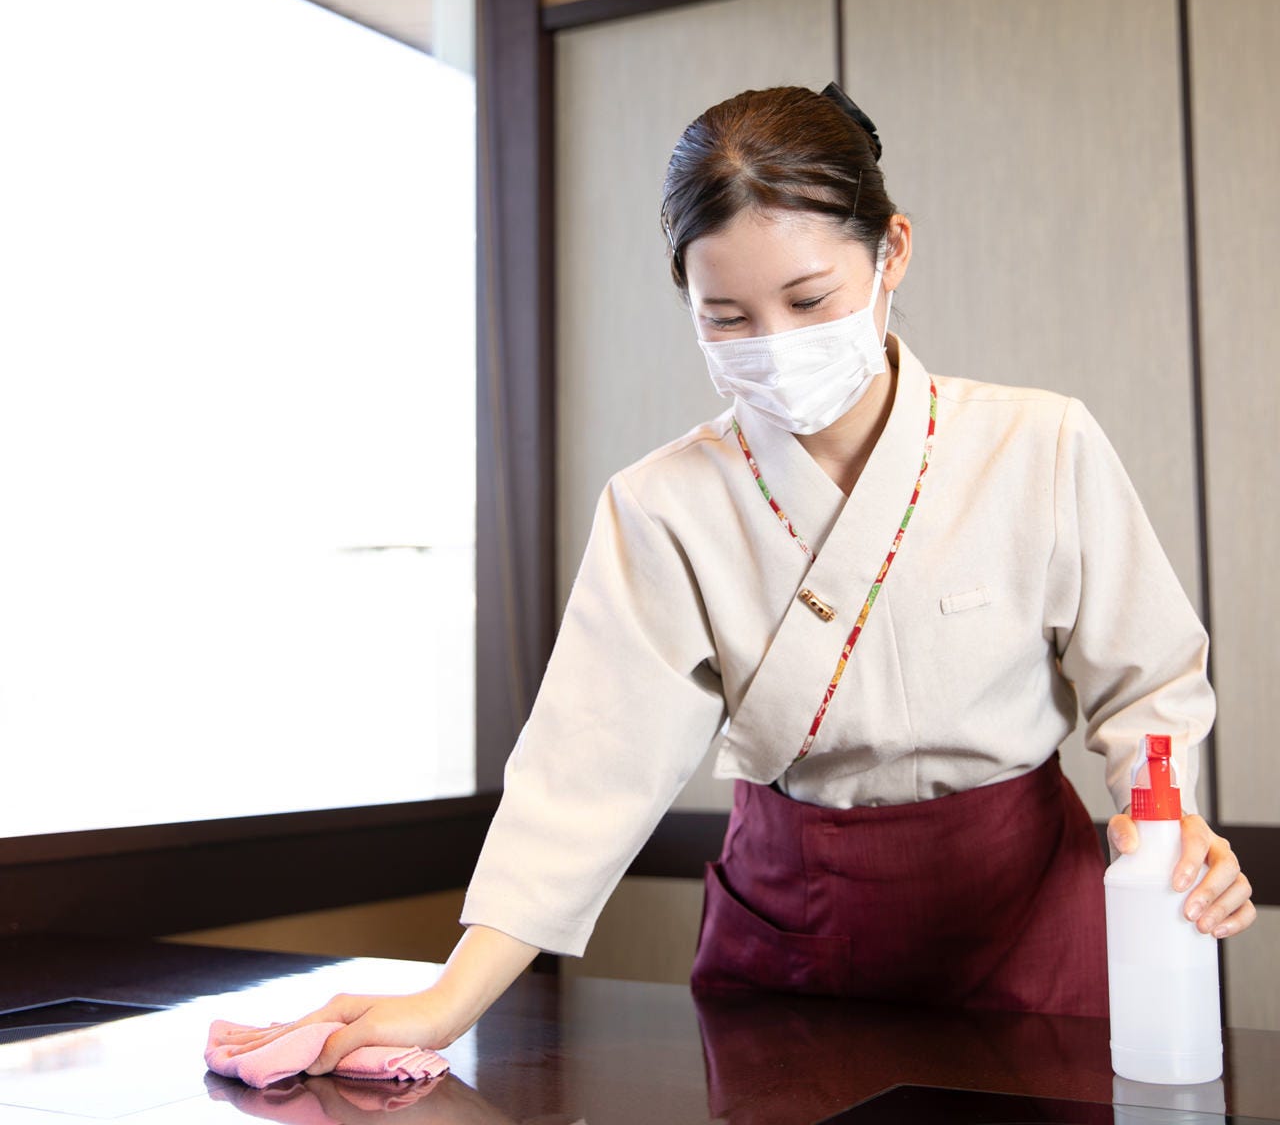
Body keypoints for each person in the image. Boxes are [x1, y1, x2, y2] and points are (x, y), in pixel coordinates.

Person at [228, 82, 1256, 1071]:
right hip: (791, 929)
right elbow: (589, 767)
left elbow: (1145, 679)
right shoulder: (662, 504)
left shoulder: (1036, 442)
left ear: (890, 249)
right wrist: (445, 998)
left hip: (1022, 913)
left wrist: (1160, 818)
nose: (774, 345)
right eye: (726, 317)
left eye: (809, 299)